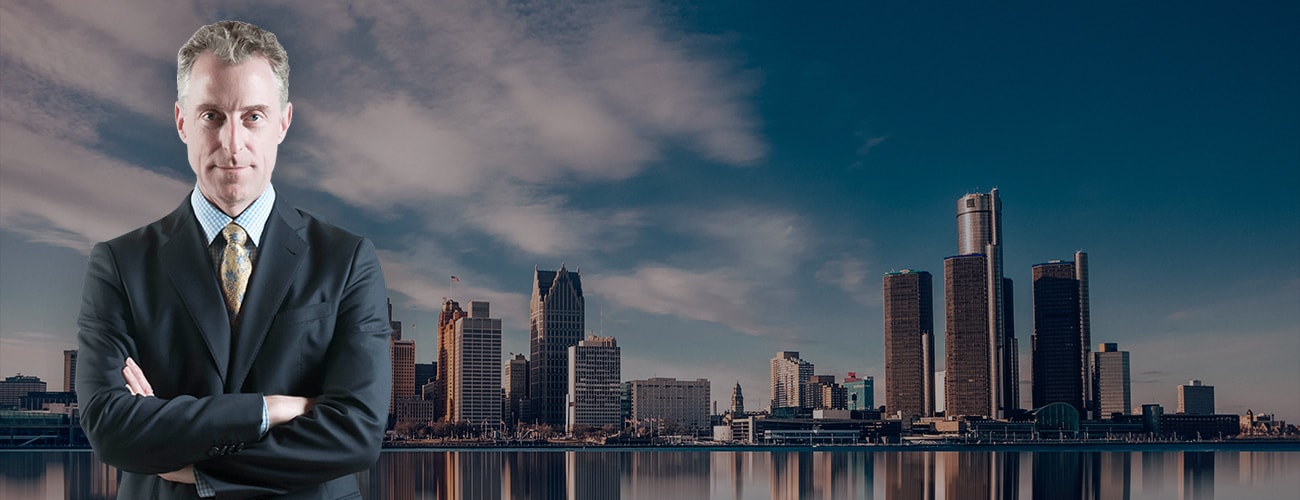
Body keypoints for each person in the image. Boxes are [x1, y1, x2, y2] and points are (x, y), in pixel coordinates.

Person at [76, 20, 391, 498]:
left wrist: (194, 464)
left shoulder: (347, 261)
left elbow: (357, 435)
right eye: (211, 116)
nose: (232, 143)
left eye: (253, 117)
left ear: (283, 123)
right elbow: (111, 427)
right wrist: (270, 409)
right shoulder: (119, 265)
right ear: (182, 121)